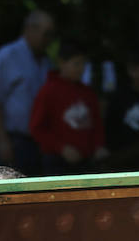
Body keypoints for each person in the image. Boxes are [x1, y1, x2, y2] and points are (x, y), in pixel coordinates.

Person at [0, 10, 55, 176]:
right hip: (13, 139)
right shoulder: (7, 56)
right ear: (30, 29)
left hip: (38, 140)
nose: (48, 40)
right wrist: (2, 140)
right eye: (46, 34)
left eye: (51, 34)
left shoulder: (46, 61)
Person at [29, 40, 108, 175]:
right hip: (57, 163)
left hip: (86, 162)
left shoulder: (88, 93)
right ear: (61, 63)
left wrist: (98, 146)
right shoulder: (48, 91)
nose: (81, 68)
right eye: (76, 63)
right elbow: (36, 128)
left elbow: (97, 124)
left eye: (83, 63)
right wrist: (61, 148)